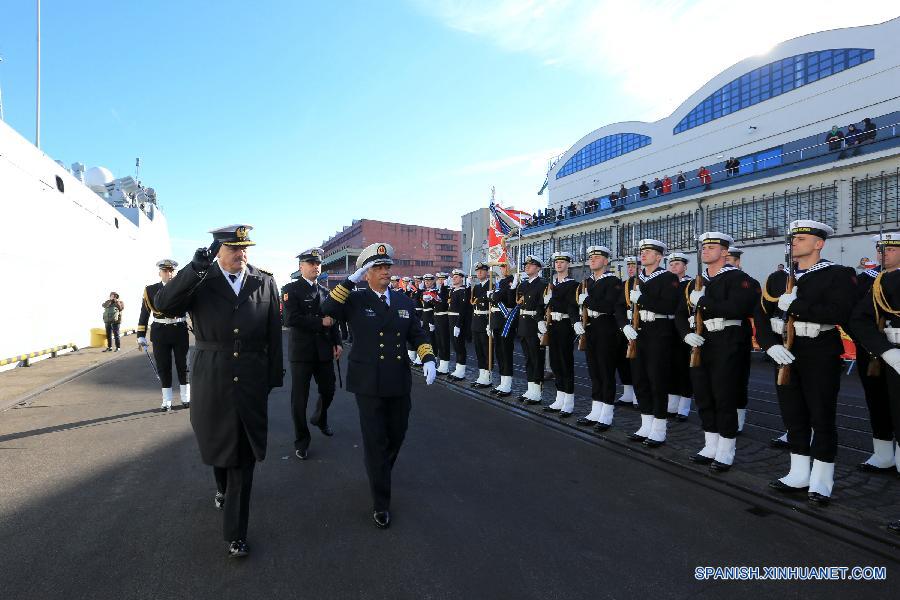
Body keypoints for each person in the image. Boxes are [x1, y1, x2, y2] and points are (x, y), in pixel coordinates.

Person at [154, 224, 283, 558]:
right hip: (211, 373)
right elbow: (165, 304)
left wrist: (271, 378)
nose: (241, 255)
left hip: (251, 376)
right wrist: (194, 268)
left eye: (245, 249)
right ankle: (221, 485)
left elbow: (273, 335)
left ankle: (235, 534)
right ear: (217, 251)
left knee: (242, 454)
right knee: (216, 441)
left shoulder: (265, 281)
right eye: (233, 249)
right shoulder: (201, 279)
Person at [322, 242, 437, 529]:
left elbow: (417, 333)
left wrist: (429, 358)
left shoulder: (402, 301)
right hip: (368, 383)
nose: (385, 272)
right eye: (378, 268)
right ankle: (381, 502)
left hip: (398, 380)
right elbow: (327, 310)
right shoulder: (355, 299)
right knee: (375, 442)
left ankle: (380, 472)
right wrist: (350, 280)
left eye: (387, 267)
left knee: (396, 435)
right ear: (367, 272)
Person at [756, 220, 856, 505]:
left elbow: (840, 312)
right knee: (793, 414)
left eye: (801, 238)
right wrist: (770, 345)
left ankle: (822, 480)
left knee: (821, 414)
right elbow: (761, 315)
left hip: (819, 350)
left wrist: (796, 306)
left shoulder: (837, 274)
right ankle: (798, 472)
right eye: (792, 239)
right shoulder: (778, 278)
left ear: (819, 243)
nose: (793, 243)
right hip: (784, 351)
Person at [676, 233, 760, 472]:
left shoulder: (738, 278)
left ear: (725, 252)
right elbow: (680, 313)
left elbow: (739, 307)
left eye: (712, 247)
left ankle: (726, 449)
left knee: (724, 395)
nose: (705, 250)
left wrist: (703, 303)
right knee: (703, 394)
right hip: (701, 341)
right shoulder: (696, 283)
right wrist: (685, 334)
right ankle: (710, 444)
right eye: (704, 247)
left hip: (728, 340)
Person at [282, 248, 342, 460]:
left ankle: (319, 417)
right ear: (301, 267)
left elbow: (332, 319)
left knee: (329, 390)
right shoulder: (291, 289)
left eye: (318, 263)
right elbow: (290, 319)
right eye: (310, 263)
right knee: (300, 398)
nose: (316, 266)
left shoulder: (326, 292)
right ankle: (302, 440)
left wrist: (337, 342)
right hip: (302, 352)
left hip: (324, 349)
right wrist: (319, 322)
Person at [620, 239, 680, 447]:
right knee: (640, 379)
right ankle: (646, 424)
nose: (643, 254)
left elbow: (670, 305)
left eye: (648, 252)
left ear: (659, 256)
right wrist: (623, 325)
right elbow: (620, 306)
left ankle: (659, 428)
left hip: (659, 333)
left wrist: (642, 299)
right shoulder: (634, 280)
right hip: (637, 333)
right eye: (642, 251)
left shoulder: (669, 278)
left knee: (657, 380)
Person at [848, 233, 898, 473]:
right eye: (881, 249)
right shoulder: (866, 280)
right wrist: (870, 343)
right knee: (876, 401)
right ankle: (883, 454)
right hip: (871, 351)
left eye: (890, 249)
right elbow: (853, 316)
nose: (883, 253)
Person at [576, 245, 625, 430]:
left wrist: (587, 301)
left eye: (597, 257)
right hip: (591, 329)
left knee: (606, 372)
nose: (592, 259)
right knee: (594, 372)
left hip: (606, 329)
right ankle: (595, 410)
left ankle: (607, 414)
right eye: (591, 257)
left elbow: (608, 306)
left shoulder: (613, 281)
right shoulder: (587, 282)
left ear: (606, 261)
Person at [137, 259, 190, 412]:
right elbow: (144, 313)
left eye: (171, 270)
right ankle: (166, 400)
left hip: (179, 329)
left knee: (183, 366)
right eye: (166, 271)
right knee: (163, 367)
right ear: (160, 273)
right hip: (160, 332)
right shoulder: (150, 290)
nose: (169, 274)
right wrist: (141, 334)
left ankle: (185, 397)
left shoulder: (183, 288)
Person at [542, 252, 580, 418]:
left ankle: (569, 401)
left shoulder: (573, 285)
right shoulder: (552, 285)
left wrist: (574, 323)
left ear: (568, 264)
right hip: (553, 325)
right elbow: (544, 306)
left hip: (565, 325)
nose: (558, 264)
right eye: (556, 262)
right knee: (555, 363)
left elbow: (570, 305)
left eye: (562, 262)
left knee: (566, 362)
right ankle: (560, 397)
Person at [666, 252, 693, 421]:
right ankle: (672, 404)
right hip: (668, 328)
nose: (674, 267)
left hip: (683, 330)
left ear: (685, 266)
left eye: (677, 264)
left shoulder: (690, 284)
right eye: (671, 264)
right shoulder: (667, 283)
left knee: (684, 368)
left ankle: (684, 407)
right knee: (670, 367)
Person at [517, 255, 547, 404]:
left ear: (538, 268)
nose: (527, 267)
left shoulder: (542, 284)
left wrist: (542, 325)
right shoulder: (522, 285)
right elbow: (518, 303)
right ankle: (530, 389)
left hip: (534, 323)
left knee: (537, 358)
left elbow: (542, 306)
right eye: (526, 265)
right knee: (528, 359)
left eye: (531, 265)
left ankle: (537, 391)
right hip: (523, 324)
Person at [489, 261, 518, 397]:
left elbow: (507, 300)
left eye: (505, 266)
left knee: (506, 353)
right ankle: (502, 381)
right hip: (496, 321)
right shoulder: (499, 282)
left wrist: (494, 295)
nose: (502, 269)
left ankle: (507, 384)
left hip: (506, 321)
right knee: (499, 353)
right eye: (501, 266)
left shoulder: (512, 281)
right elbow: (494, 299)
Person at [469, 262, 493, 388]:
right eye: (477, 271)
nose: (479, 273)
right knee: (478, 350)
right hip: (476, 321)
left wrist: (490, 323)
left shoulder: (491, 286)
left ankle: (488, 376)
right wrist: (468, 286)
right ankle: (481, 374)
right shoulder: (476, 287)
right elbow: (471, 303)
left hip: (485, 320)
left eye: (482, 271)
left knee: (486, 349)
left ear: (487, 272)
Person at [448, 268, 471, 380]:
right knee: (455, 345)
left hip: (458, 320)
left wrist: (458, 325)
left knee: (460, 346)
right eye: (453, 277)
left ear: (462, 278)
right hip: (451, 319)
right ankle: (458, 368)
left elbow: (463, 309)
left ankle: (461, 371)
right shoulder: (453, 290)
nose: (454, 278)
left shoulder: (463, 291)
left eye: (456, 277)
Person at [430, 272, 452, 374]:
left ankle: (445, 366)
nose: (440, 281)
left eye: (442, 279)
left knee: (444, 342)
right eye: (439, 279)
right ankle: (441, 364)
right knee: (439, 342)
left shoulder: (447, 290)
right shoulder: (437, 290)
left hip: (444, 318)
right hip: (437, 317)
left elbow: (444, 304)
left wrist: (444, 289)